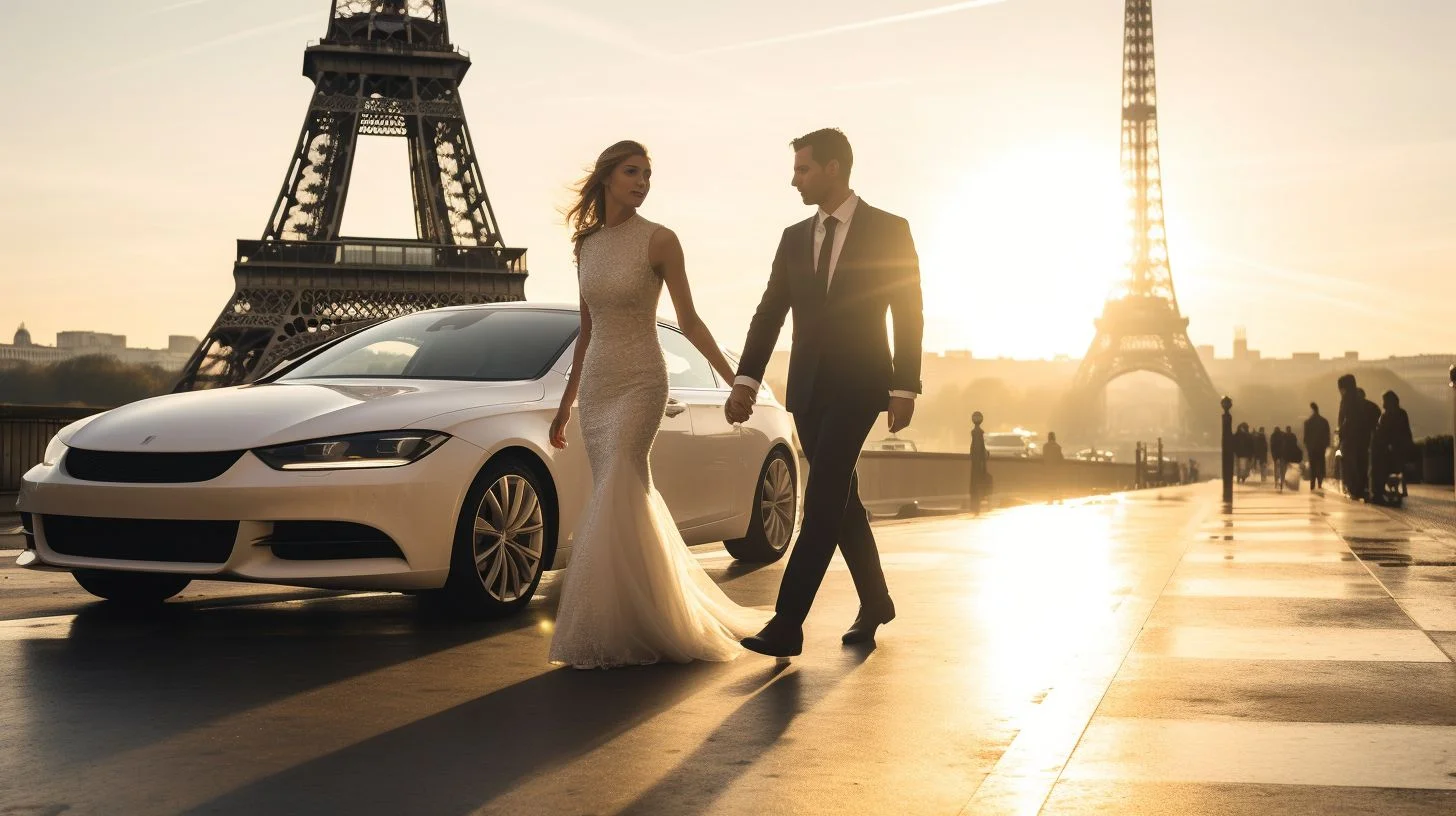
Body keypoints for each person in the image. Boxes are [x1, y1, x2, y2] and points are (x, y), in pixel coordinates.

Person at [547, 140, 768, 669]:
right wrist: (564, 404)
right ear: (606, 177)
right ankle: (643, 613)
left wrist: (736, 379)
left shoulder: (661, 240)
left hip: (643, 381)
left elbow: (689, 321)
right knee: (621, 494)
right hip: (598, 385)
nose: (643, 182)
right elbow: (585, 332)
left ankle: (618, 626)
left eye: (648, 174)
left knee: (621, 479)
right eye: (632, 172)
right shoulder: (587, 245)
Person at [726, 128, 923, 657]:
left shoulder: (890, 230)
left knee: (823, 494)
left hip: (861, 385)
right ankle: (876, 600)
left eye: (803, 170)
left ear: (833, 168)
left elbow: (908, 312)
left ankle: (788, 621)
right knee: (841, 497)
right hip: (808, 388)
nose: (795, 180)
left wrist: (905, 384)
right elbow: (769, 313)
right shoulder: (794, 237)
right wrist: (745, 380)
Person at [1371, 390, 1414, 506]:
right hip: (1399, 449)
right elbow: (1406, 432)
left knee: (1383, 467)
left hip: (1390, 450)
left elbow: (1381, 433)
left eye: (1384, 401)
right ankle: (1398, 488)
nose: (1382, 403)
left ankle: (1383, 489)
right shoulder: (1402, 413)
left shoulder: (1386, 416)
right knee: (1397, 469)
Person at [1337, 375, 1376, 501]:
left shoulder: (1346, 399)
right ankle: (1362, 488)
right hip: (1363, 437)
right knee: (1361, 463)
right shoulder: (1360, 400)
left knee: (1350, 464)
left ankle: (1354, 489)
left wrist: (1342, 432)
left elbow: (1343, 419)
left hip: (1350, 438)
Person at [1304, 402, 1331, 491]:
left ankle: (1312, 483)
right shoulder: (1324, 421)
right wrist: (1326, 444)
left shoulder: (1308, 422)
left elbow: (1306, 437)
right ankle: (1320, 482)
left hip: (1312, 448)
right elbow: (1327, 435)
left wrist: (1307, 446)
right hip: (1321, 447)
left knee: (1313, 465)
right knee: (1320, 464)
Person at [1270, 426, 1288, 491]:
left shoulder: (1273, 436)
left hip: (1276, 455)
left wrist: (1273, 456)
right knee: (1283, 468)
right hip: (1283, 455)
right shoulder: (1283, 435)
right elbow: (1286, 445)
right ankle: (1282, 480)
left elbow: (1272, 446)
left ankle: (1276, 481)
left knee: (1276, 468)